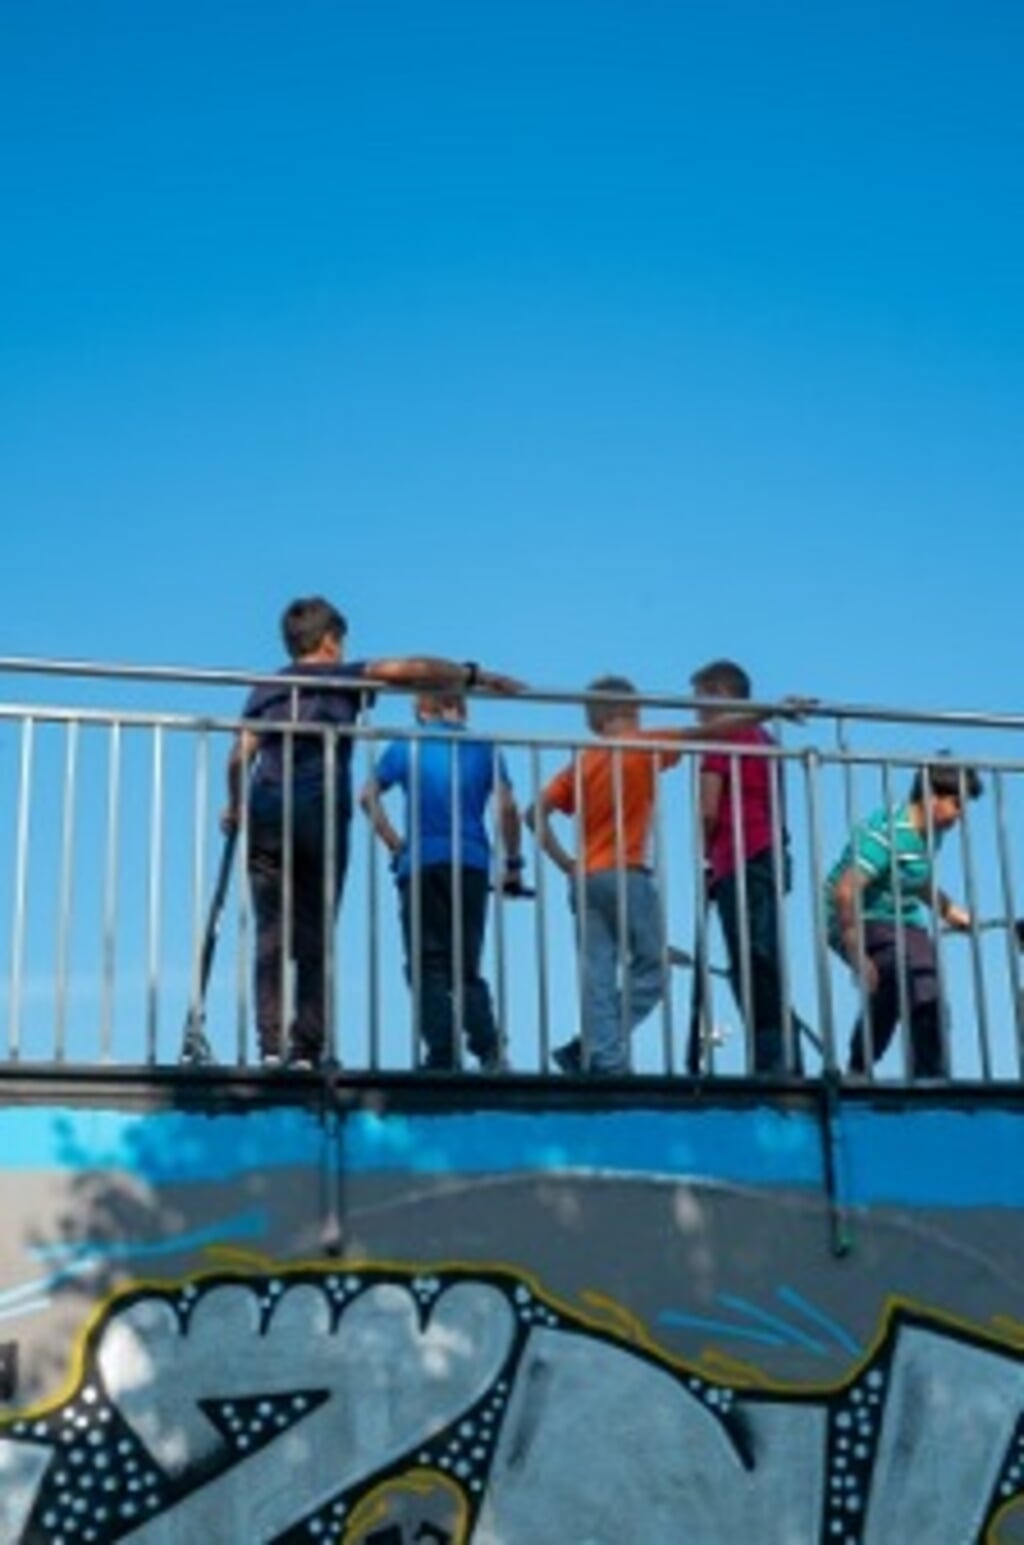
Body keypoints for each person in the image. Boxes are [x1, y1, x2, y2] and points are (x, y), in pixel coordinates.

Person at [223, 596, 522, 1069]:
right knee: (316, 930)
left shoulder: (269, 688)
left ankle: (270, 1046)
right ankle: (307, 1048)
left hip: (266, 809)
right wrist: (476, 675)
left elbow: (240, 755)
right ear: (329, 641)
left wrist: (236, 804)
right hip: (320, 809)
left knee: (271, 932)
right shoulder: (345, 676)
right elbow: (417, 668)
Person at [526, 676, 781, 1076]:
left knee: (597, 973)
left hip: (585, 880)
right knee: (653, 967)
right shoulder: (646, 742)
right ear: (631, 710)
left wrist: (566, 863)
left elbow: (533, 812)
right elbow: (713, 730)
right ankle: (599, 1047)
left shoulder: (581, 762)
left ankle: (601, 1058)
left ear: (595, 720)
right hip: (627, 874)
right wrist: (773, 711)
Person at [360, 690, 526, 1071]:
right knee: (465, 964)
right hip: (471, 862)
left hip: (421, 862)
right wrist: (513, 862)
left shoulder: (407, 744)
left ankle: (442, 1053)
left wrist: (395, 844)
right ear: (463, 710)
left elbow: (367, 796)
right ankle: (489, 1051)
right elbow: (507, 807)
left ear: (421, 709)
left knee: (426, 965)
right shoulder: (485, 747)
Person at [824, 761, 982, 1080]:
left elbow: (916, 879)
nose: (961, 816)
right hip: (858, 917)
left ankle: (931, 1074)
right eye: (957, 805)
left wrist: (951, 911)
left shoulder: (931, 834)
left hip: (902, 919)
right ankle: (859, 1066)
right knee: (895, 975)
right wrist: (855, 953)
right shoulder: (887, 834)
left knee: (927, 987)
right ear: (930, 797)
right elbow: (845, 892)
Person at [690, 658, 808, 1075]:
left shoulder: (723, 738)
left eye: (699, 700)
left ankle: (772, 1056)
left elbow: (708, 809)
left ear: (720, 694)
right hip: (769, 852)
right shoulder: (765, 738)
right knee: (766, 956)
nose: (695, 712)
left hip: (737, 857)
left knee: (748, 960)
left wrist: (705, 855)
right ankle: (782, 1050)